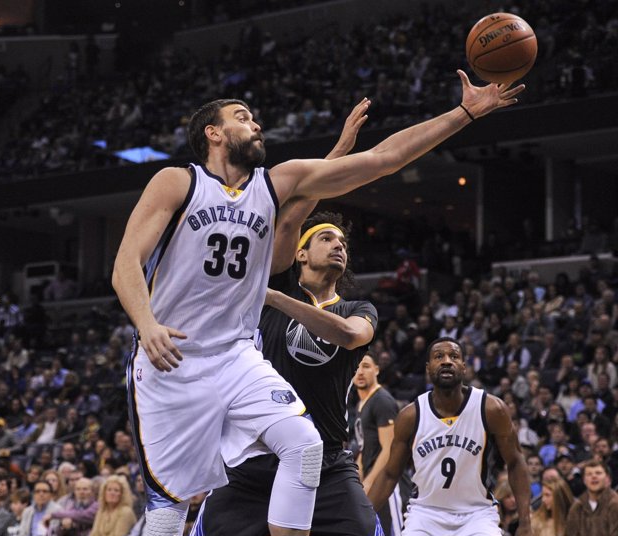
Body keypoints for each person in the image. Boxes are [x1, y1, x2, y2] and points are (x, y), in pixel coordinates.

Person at [112, 71, 524, 535]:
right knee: (168, 510)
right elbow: (127, 259)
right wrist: (145, 322)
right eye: (243, 117)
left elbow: (383, 159)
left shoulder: (276, 183)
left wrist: (464, 112)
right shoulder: (176, 182)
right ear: (213, 132)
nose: (256, 125)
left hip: (235, 356)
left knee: (305, 447)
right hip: (170, 359)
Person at [192, 211, 381, 535]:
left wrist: (275, 298)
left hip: (327, 462)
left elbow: (350, 335)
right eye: (326, 238)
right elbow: (293, 211)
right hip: (256, 462)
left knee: (365, 528)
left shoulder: (357, 309)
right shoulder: (265, 300)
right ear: (300, 253)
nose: (339, 246)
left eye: (343, 243)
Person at [368, 337, 533, 536]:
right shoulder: (411, 416)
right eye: (439, 356)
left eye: (454, 356)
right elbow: (389, 474)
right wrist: (364, 517)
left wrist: (525, 521)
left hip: (477, 514)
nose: (447, 361)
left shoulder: (491, 409)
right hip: (425, 514)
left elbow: (515, 462)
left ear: (464, 367)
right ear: (428, 368)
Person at [354, 351, 403, 535]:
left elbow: (390, 448)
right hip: (373, 480)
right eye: (356, 367)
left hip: (388, 482)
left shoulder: (382, 400)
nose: (360, 372)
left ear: (376, 370)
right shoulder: (361, 404)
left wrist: (369, 481)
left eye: (366, 366)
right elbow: (363, 447)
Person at [565, 459, 618, 535]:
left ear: (607, 479)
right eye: (589, 474)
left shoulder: (615, 504)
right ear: (584, 480)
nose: (594, 476)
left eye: (598, 473)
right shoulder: (577, 507)